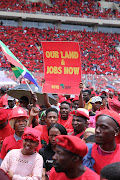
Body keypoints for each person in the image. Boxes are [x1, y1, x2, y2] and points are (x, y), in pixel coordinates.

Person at [84, 109, 120, 174]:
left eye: (103, 127)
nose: (97, 130)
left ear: (116, 131)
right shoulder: (86, 151)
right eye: (96, 126)